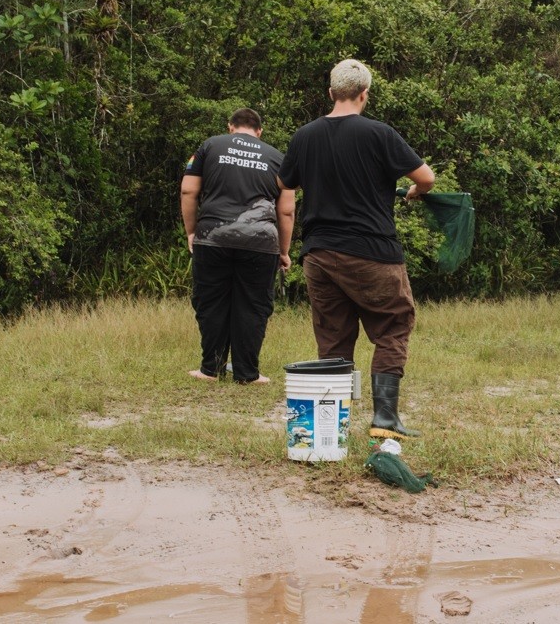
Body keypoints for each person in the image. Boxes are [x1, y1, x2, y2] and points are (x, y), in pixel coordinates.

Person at [278, 59, 435, 440]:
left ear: (330, 93)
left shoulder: (304, 136)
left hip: (319, 253)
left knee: (333, 339)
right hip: (372, 251)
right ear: (365, 94)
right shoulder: (379, 133)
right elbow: (426, 177)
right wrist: (415, 192)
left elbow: (285, 189)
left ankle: (332, 429)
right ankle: (384, 419)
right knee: (394, 325)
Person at [181, 108, 294, 384]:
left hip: (213, 236)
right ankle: (247, 374)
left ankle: (210, 369)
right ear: (259, 132)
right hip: (260, 241)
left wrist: (191, 231)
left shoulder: (209, 146)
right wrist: (283, 250)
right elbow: (287, 210)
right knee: (253, 305)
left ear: (230, 127)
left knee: (211, 302)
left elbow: (188, 190)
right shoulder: (278, 157)